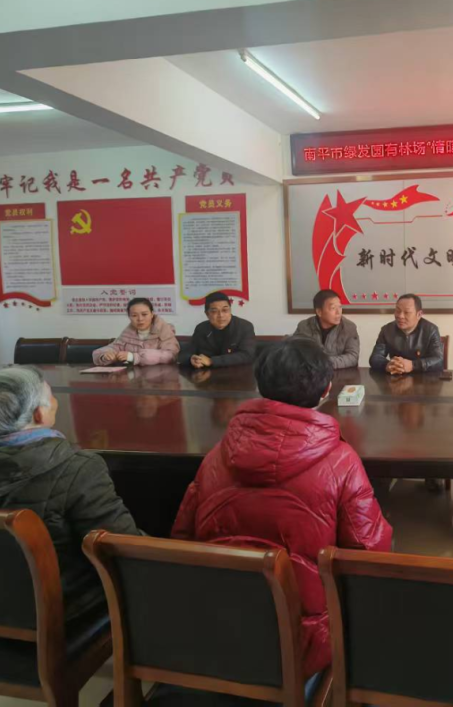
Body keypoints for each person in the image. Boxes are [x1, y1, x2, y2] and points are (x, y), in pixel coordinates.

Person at [172, 338, 392, 678]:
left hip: (216, 629)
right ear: (326, 391)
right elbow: (369, 553)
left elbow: (182, 538)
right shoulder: (342, 460)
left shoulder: (216, 454)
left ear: (260, 385)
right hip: (304, 643)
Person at [0, 367, 141, 620]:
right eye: (51, 397)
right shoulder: (78, 469)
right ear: (39, 414)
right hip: (53, 609)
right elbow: (121, 550)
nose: (55, 402)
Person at [368, 293, 443, 374]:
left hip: (423, 378)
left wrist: (413, 365)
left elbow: (438, 360)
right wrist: (387, 365)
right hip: (396, 377)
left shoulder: (431, 330)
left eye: (407, 312)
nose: (400, 316)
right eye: (397, 311)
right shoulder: (387, 330)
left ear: (419, 314)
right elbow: (375, 357)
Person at [92, 297, 179, 366]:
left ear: (152, 314)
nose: (140, 319)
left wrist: (134, 357)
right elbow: (111, 348)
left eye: (144, 314)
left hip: (159, 378)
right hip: (132, 378)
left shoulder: (165, 332)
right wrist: (105, 356)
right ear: (129, 316)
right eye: (134, 315)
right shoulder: (127, 334)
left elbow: (170, 355)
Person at [179, 291, 256, 368]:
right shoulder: (201, 328)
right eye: (214, 311)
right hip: (206, 373)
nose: (221, 315)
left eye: (225, 310)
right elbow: (185, 354)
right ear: (207, 314)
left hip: (237, 373)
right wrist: (191, 359)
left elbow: (247, 355)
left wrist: (212, 361)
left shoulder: (244, 327)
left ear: (230, 311)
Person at [293, 289, 360, 369]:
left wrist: (323, 362)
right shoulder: (304, 327)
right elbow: (294, 354)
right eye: (333, 308)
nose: (338, 312)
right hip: (311, 373)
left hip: (340, 373)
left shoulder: (349, 327)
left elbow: (353, 357)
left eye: (340, 307)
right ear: (319, 312)